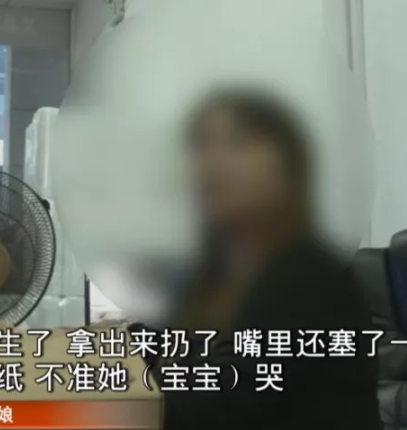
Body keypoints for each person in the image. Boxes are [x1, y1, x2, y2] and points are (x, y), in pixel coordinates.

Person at [151, 89, 381, 429]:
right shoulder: (217, 273)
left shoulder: (309, 275)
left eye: (239, 142)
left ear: (288, 165)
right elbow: (167, 342)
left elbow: (217, 403)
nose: (212, 163)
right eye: (201, 145)